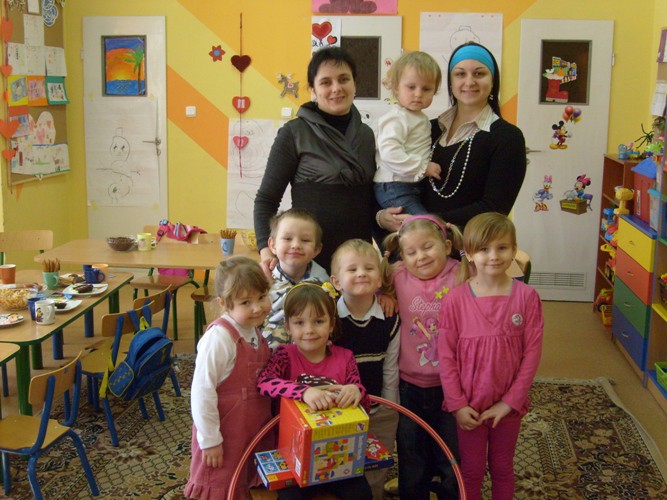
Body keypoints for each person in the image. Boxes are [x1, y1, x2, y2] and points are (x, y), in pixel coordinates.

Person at [438, 213, 543, 500]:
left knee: (502, 468)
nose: (494, 256)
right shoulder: (455, 300)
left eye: (502, 248)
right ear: (469, 253)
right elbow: (446, 357)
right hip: (469, 406)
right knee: (471, 471)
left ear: (514, 250)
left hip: (508, 408)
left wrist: (510, 402)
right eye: (484, 249)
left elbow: (532, 355)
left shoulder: (527, 297)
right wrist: (458, 404)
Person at [376, 42, 527, 234]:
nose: (469, 82)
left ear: (493, 81)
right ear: (450, 82)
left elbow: (495, 209)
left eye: (479, 73)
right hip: (413, 245)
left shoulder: (507, 138)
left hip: (467, 247)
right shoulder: (427, 128)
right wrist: (381, 217)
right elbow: (386, 177)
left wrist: (428, 221)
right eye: (460, 74)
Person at [254, 46, 377, 274]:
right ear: (313, 89)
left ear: (355, 84)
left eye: (344, 79)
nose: (336, 88)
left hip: (357, 263)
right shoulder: (294, 133)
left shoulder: (367, 135)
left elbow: (372, 198)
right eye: (325, 82)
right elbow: (266, 200)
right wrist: (265, 250)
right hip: (307, 261)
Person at [257, 282, 373, 499]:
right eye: (299, 323)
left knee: (361, 494)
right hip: (293, 453)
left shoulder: (345, 357)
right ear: (288, 327)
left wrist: (356, 390)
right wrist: (304, 392)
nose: (309, 330)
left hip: (338, 452)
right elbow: (264, 382)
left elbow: (364, 404)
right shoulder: (284, 354)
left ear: (331, 324)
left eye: (319, 321)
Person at [383, 215, 468, 499]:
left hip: (451, 387)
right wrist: (383, 294)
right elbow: (368, 280)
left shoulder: (461, 274)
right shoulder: (396, 276)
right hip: (408, 387)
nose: (420, 257)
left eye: (428, 247)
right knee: (411, 455)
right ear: (402, 256)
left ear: (447, 246)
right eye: (411, 252)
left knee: (452, 456)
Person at [184, 256, 272, 500]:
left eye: (262, 297)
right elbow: (201, 392)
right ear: (224, 304)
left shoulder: (253, 328)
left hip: (250, 429)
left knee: (243, 483)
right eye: (246, 302)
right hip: (224, 436)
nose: (257, 308)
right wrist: (210, 440)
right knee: (221, 486)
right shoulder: (219, 339)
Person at [330, 239, 401, 499]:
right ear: (336, 281)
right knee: (340, 464)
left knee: (376, 466)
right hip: (341, 411)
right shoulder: (328, 319)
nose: (361, 273)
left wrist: (389, 407)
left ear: (379, 278)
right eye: (352, 269)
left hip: (380, 409)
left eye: (369, 268)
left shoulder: (390, 319)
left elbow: (391, 367)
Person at [374, 51, 442, 216]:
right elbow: (390, 153)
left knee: (421, 226)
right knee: (423, 225)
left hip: (408, 185)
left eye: (426, 89)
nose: (418, 94)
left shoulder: (419, 118)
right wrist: (423, 167)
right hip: (394, 185)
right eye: (411, 87)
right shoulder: (397, 118)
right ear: (396, 87)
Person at [262, 208, 330, 350]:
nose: (296, 245)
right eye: (287, 239)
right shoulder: (262, 283)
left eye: (305, 240)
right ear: (272, 245)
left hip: (310, 357)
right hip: (269, 357)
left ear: (317, 249)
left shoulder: (325, 285)